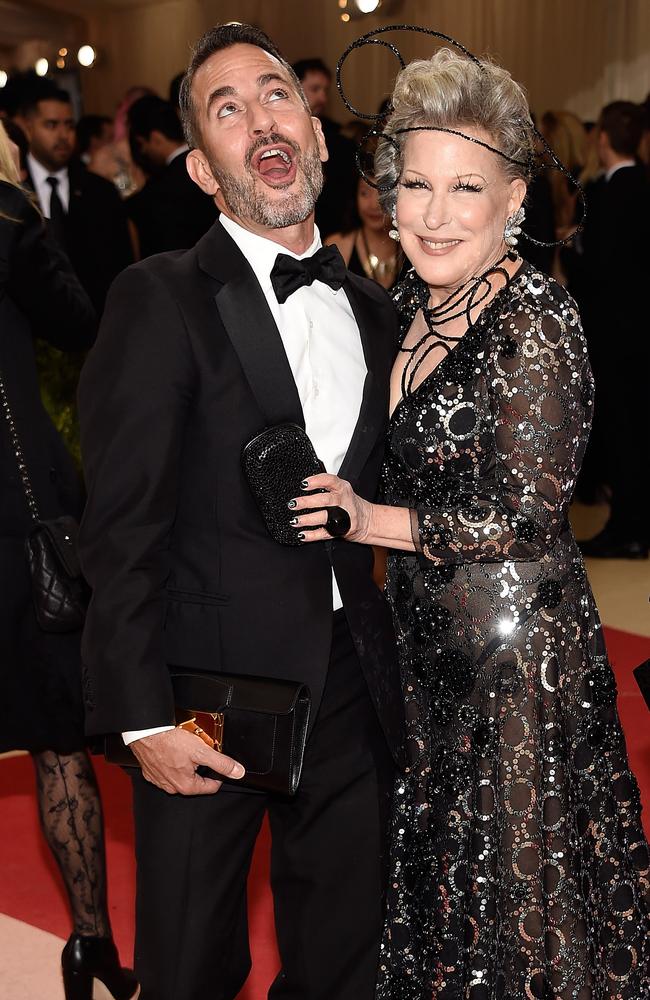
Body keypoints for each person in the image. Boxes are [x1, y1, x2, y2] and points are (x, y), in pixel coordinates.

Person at [292, 47, 650, 998]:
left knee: (514, 901)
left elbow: (525, 512)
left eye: (467, 187)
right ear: (387, 193)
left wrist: (368, 519)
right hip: (420, 644)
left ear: (515, 197)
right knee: (439, 889)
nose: (436, 213)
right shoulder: (407, 300)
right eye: (416, 184)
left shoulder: (538, 319)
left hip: (514, 663)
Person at [77, 22, 405, 1000]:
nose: (258, 116)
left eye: (273, 95)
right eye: (225, 109)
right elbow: (120, 528)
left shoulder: (377, 312)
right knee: (188, 968)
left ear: (311, 127)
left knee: (347, 962)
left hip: (351, 689)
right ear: (201, 170)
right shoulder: (158, 298)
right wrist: (141, 722)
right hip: (201, 704)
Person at [0, 122, 138, 1000]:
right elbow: (79, 319)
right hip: (16, 514)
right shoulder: (7, 216)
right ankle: (90, 944)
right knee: (58, 748)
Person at [577, 101, 650, 559]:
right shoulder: (644, 184)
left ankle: (629, 529)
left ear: (603, 138)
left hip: (616, 336)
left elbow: (596, 267)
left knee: (625, 435)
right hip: (640, 333)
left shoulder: (607, 193)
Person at [16, 81, 133, 311]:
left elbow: (123, 266)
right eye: (51, 125)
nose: (63, 135)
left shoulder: (100, 191)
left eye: (69, 125)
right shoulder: (14, 193)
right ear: (28, 128)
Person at [126, 94, 217, 257]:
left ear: (156, 139)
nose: (144, 151)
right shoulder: (212, 163)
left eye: (143, 145)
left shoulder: (158, 191)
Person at [292, 56, 357, 236]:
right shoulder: (277, 134)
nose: (323, 97)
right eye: (315, 89)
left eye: (325, 90)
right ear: (294, 88)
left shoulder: (338, 139)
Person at [326, 172, 402, 290]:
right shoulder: (338, 246)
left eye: (382, 193)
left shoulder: (413, 245)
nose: (373, 205)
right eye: (364, 193)